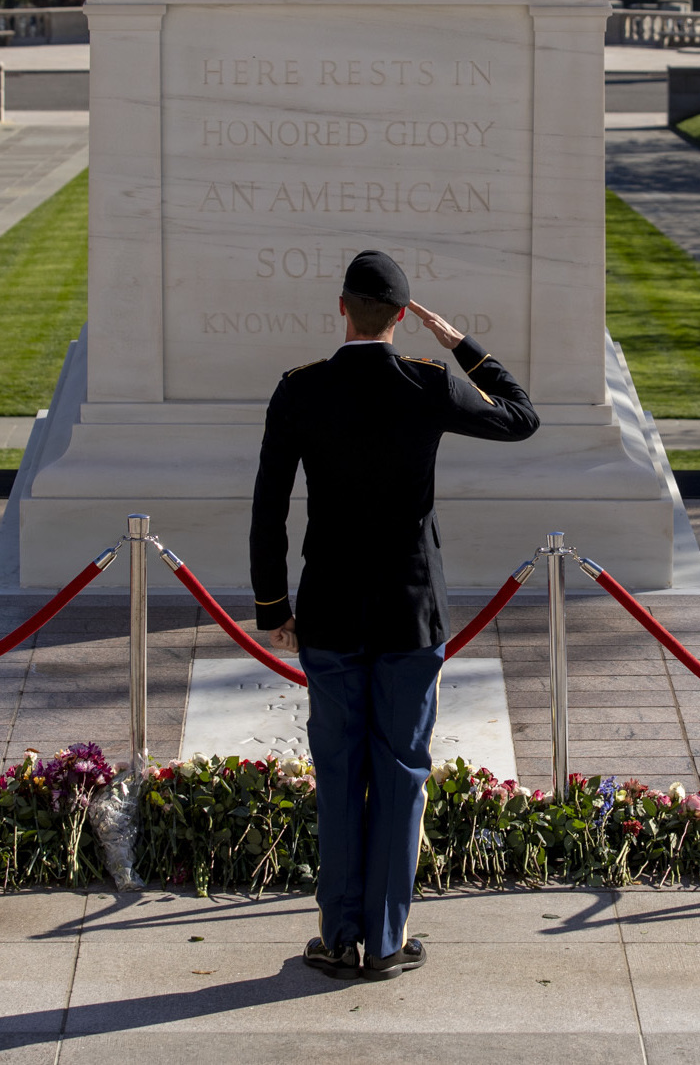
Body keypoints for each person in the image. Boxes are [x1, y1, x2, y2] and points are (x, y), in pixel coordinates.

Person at [250, 248, 540, 983]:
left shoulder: (300, 392)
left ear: (341, 308)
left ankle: (338, 936)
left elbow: (269, 510)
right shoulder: (430, 383)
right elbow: (521, 418)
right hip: (412, 613)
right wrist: (464, 345)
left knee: (341, 772)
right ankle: (383, 941)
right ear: (403, 317)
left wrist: (272, 608)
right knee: (402, 770)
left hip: (332, 612)